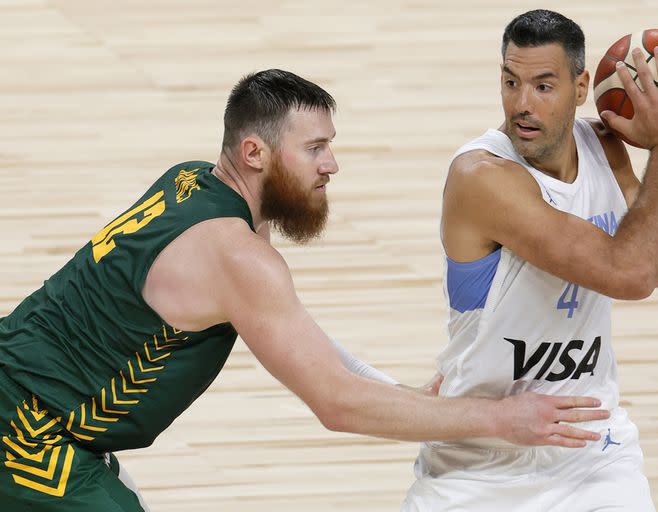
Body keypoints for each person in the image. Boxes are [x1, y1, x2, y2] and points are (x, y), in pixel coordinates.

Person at [0, 69, 611, 511]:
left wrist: (400, 394)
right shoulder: (239, 259)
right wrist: (500, 418)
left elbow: (305, 344)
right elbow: (336, 403)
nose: (331, 165)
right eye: (315, 148)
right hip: (27, 434)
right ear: (254, 152)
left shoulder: (191, 182)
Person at [402, 10, 658, 512]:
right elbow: (630, 273)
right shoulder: (481, 177)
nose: (521, 105)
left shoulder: (605, 150)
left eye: (543, 86)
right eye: (511, 82)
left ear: (582, 85)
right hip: (482, 460)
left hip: (592, 453)